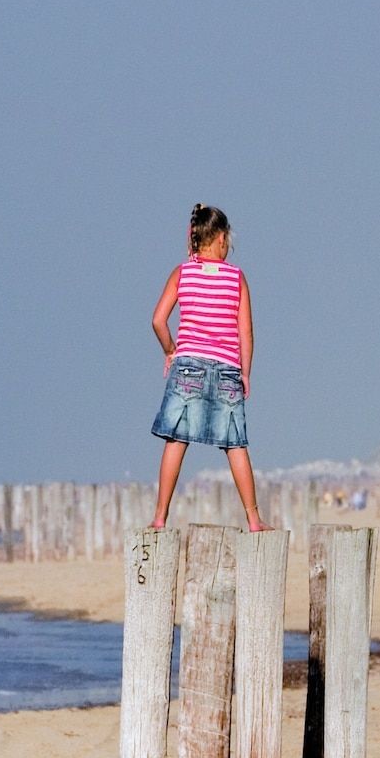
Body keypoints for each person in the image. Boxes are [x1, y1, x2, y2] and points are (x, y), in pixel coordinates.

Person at [147, 204, 264, 531]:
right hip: (227, 368)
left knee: (176, 439)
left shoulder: (182, 273)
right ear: (222, 239)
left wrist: (171, 350)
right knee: (235, 444)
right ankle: (253, 518)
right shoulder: (236, 277)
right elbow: (246, 331)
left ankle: (160, 516)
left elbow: (158, 320)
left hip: (188, 366)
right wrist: (245, 372)